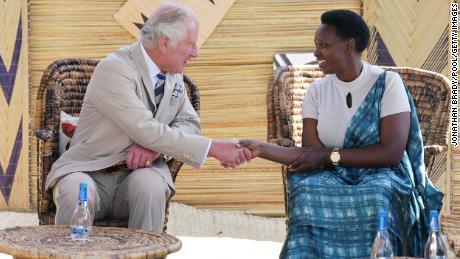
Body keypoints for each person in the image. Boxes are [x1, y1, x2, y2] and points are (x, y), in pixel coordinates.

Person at [240, 10, 443, 258]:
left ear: (349, 45)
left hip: (383, 172)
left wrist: (330, 156)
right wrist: (260, 149)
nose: (316, 53)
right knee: (306, 190)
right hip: (329, 174)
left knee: (379, 192)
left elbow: (391, 152)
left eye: (323, 46)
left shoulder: (387, 84)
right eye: (316, 46)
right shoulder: (316, 91)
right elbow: (311, 156)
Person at [46, 2, 251, 232]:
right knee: (76, 190)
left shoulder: (173, 77)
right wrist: (213, 148)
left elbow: (189, 122)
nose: (196, 53)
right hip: (90, 170)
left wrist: (156, 149)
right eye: (191, 44)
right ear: (164, 43)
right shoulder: (114, 69)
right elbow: (144, 128)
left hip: (137, 176)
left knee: (151, 186)